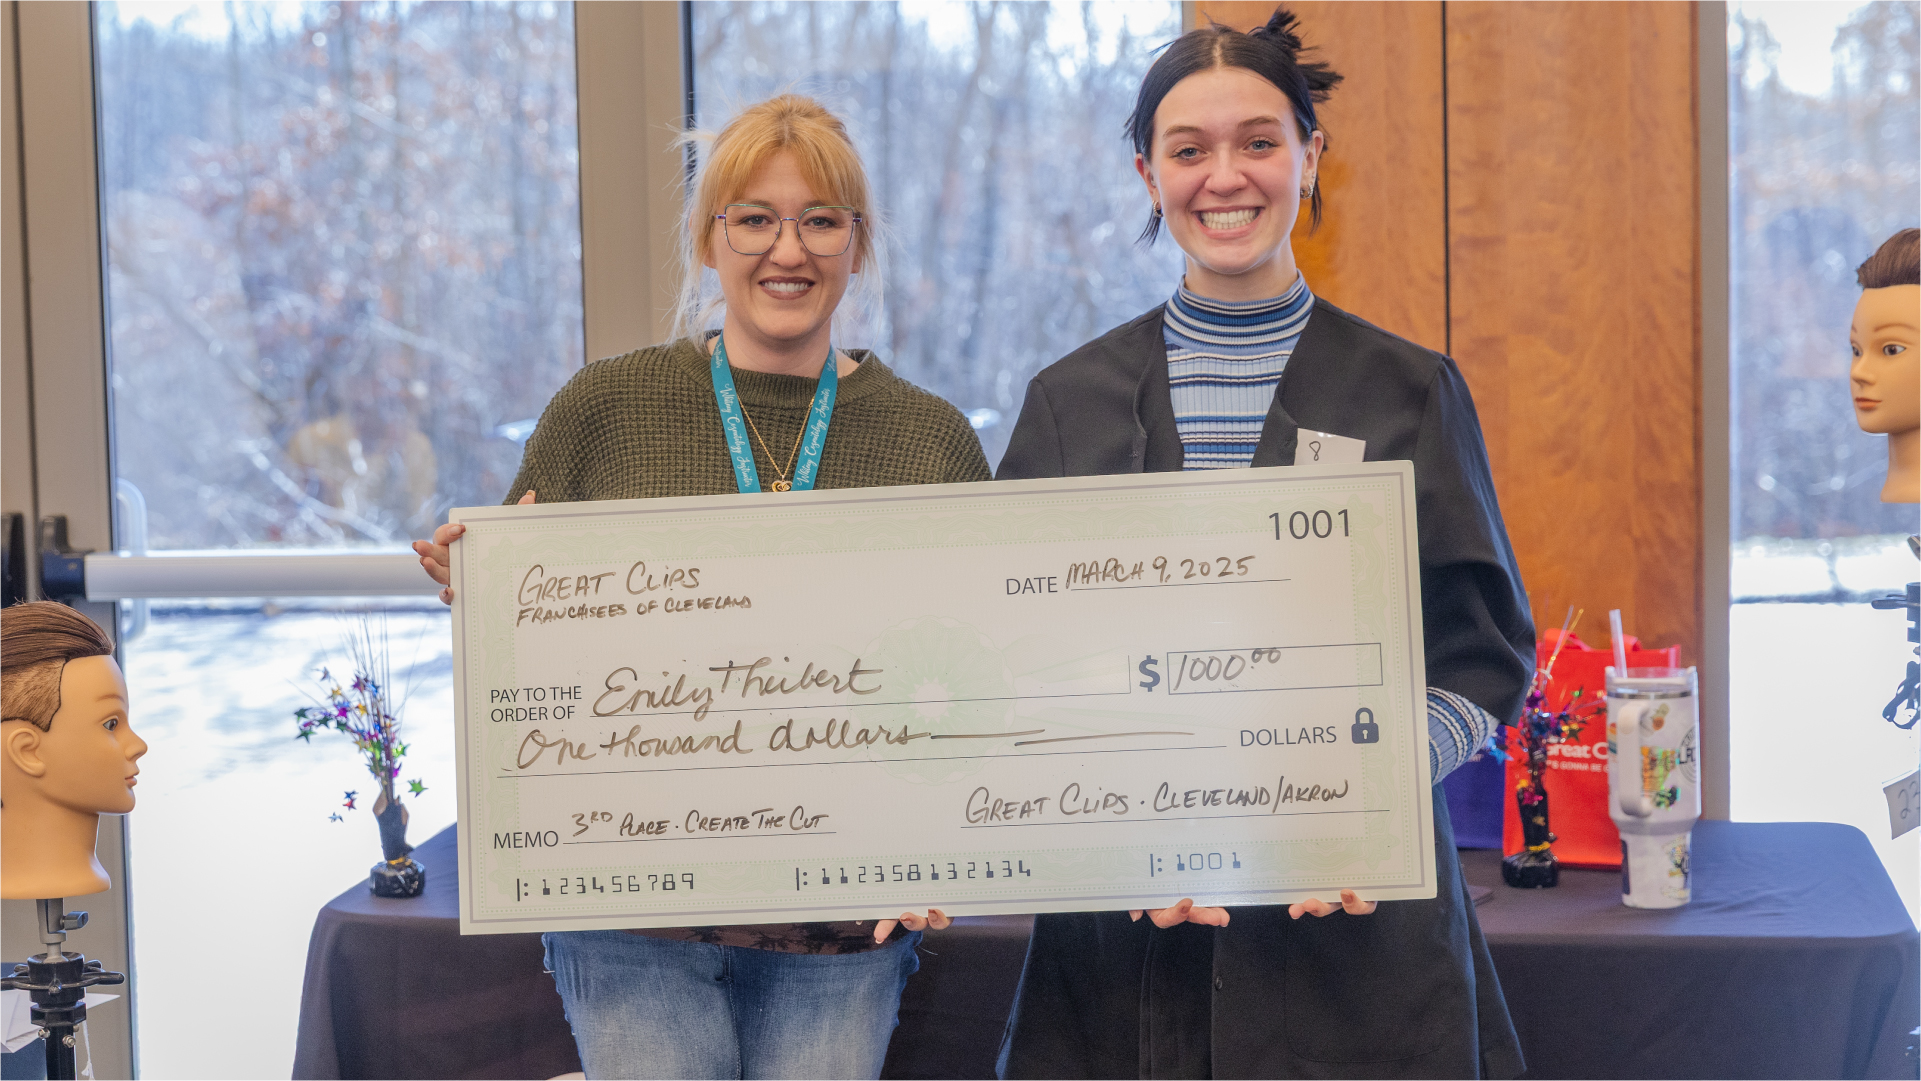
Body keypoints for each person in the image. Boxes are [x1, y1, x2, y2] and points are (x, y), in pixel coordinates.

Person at [994, 10, 1534, 1079]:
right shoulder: (1066, 405)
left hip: (1353, 926)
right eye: (1188, 150)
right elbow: (1011, 674)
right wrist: (1099, 837)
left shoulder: (1408, 390)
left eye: (1257, 142)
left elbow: (1480, 657)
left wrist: (1358, 804)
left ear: (1308, 155)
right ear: (1147, 172)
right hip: (1127, 923)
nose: (1223, 177)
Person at [413, 94, 991, 1080]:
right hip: (631, 915)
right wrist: (477, 583)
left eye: (821, 219)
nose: (788, 249)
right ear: (709, 239)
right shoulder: (603, 409)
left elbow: (973, 674)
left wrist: (947, 843)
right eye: (754, 218)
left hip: (840, 917)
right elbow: (534, 651)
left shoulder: (930, 441)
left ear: (858, 243)